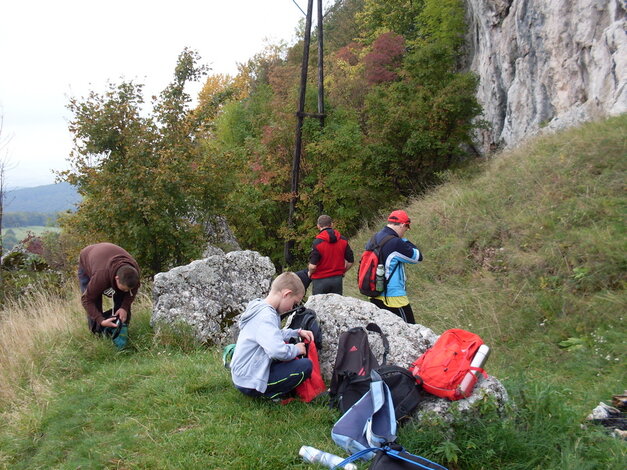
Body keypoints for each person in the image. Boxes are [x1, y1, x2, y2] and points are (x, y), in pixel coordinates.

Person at [230, 272, 315, 400]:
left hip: (243, 375)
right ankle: (270, 395)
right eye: (294, 303)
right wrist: (297, 349)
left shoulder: (261, 308)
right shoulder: (266, 316)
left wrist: (296, 332)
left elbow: (274, 335)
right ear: (286, 294)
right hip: (249, 381)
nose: (292, 307)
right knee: (305, 366)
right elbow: (278, 351)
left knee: (290, 361)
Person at [368, 210, 422, 324]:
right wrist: (404, 240)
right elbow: (418, 257)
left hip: (374, 294)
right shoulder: (395, 242)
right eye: (406, 228)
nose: (405, 231)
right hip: (393, 297)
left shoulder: (374, 238)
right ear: (402, 224)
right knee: (411, 330)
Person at [77, 242, 141, 334]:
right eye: (124, 288)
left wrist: (124, 307)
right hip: (88, 258)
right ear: (117, 278)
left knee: (123, 300)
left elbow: (131, 293)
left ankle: (119, 331)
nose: (127, 291)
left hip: (106, 257)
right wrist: (101, 320)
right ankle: (97, 333)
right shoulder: (101, 277)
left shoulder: (134, 273)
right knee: (95, 302)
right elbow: (87, 300)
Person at [307, 215, 354, 295]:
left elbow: (313, 266)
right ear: (331, 224)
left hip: (319, 280)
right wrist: (342, 271)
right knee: (335, 306)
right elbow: (350, 261)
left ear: (318, 226)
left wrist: (310, 273)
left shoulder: (317, 243)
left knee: (318, 306)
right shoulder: (343, 240)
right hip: (337, 279)